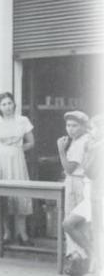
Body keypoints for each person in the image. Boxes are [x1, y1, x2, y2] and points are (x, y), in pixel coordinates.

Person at [0, 92, 35, 245]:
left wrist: (16, 149)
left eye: (9, 103)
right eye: (4, 104)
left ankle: (22, 234)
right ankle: (6, 233)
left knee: (20, 197)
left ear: (14, 104)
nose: (7, 107)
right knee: (1, 198)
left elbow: (31, 142)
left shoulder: (23, 120)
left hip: (16, 163)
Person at [62, 114, 101, 275]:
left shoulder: (95, 145)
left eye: (97, 128)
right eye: (93, 128)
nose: (93, 132)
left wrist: (60, 150)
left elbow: (87, 170)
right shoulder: (89, 144)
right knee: (71, 223)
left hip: (95, 192)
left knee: (91, 228)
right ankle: (88, 257)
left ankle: (89, 259)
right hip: (89, 190)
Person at [58, 110, 91, 260]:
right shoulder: (76, 141)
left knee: (75, 221)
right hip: (73, 181)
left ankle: (81, 256)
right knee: (72, 218)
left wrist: (61, 151)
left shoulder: (83, 141)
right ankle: (75, 256)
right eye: (68, 125)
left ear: (84, 127)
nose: (70, 129)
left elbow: (70, 168)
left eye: (75, 125)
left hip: (79, 183)